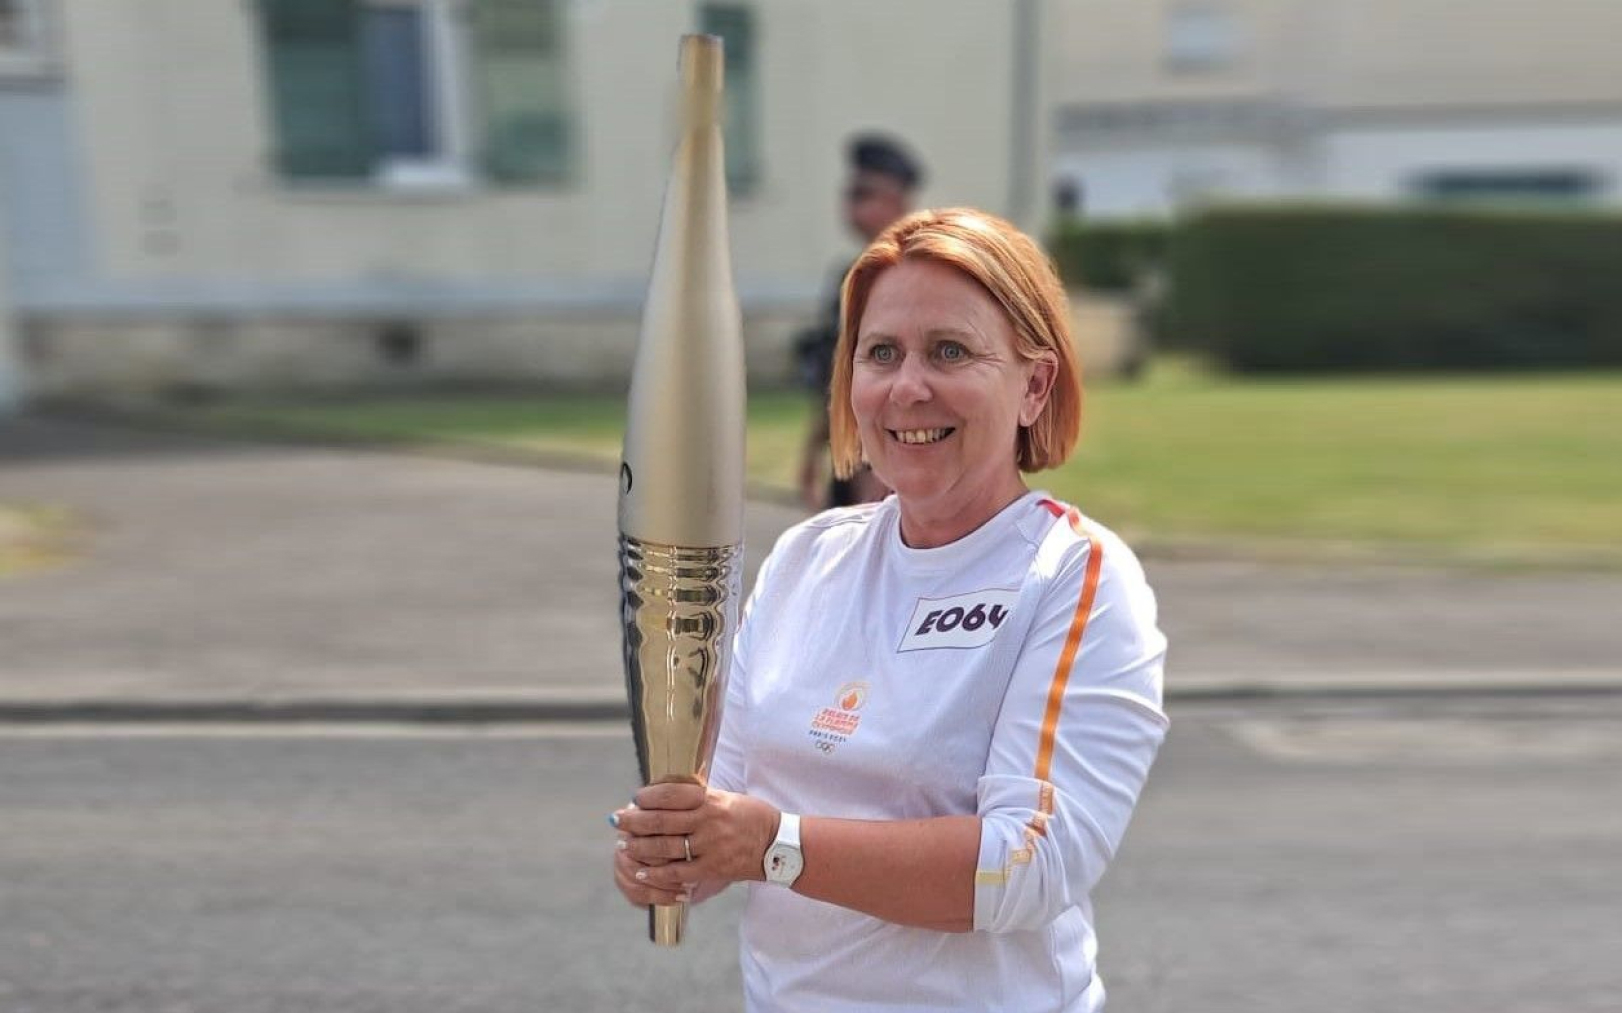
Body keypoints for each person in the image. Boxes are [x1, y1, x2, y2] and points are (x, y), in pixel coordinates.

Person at [612, 208, 1169, 1012]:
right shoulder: (807, 559)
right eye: (881, 353)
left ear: (1034, 384)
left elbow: (1030, 862)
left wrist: (774, 846)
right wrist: (672, 852)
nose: (909, 386)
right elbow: (726, 796)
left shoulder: (1074, 575)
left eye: (950, 351)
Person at [794, 134, 924, 510]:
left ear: (897, 202)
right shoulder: (850, 274)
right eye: (849, 193)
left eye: (863, 194)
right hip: (847, 455)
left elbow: (901, 380)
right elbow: (835, 376)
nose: (849, 205)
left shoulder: (912, 277)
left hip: (882, 466)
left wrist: (879, 467)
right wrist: (812, 451)